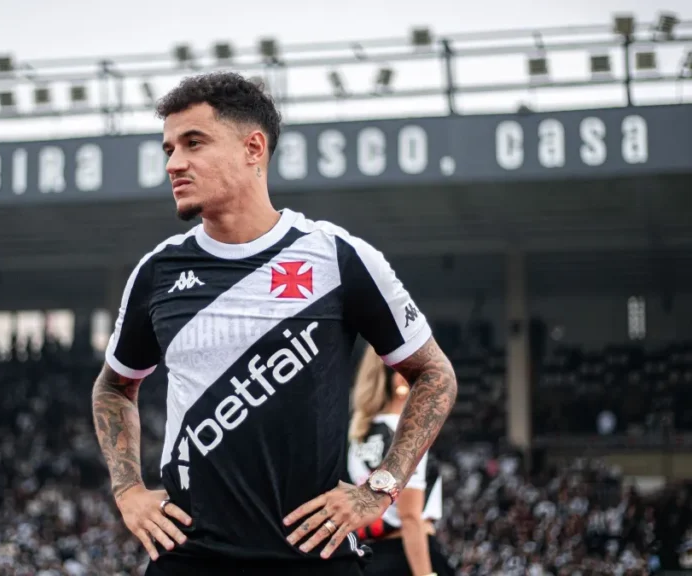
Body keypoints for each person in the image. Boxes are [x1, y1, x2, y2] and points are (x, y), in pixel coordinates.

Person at [91, 71, 458, 576]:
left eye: (194, 143)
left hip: (314, 555)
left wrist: (380, 487)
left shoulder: (337, 258)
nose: (174, 163)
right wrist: (127, 489)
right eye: (169, 149)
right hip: (190, 556)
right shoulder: (158, 271)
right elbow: (113, 387)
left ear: (253, 148)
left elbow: (435, 374)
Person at [347, 345, 456, 576]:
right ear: (399, 380)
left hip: (371, 558)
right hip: (410, 555)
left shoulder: (359, 434)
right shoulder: (406, 434)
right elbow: (409, 517)